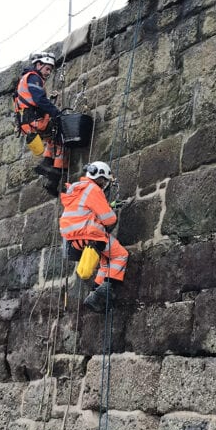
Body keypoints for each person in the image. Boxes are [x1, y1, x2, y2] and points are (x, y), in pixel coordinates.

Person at [59, 161, 128, 312]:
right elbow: (109, 219)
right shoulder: (94, 190)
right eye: (104, 181)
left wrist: (109, 205)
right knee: (120, 255)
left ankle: (94, 296)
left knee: (105, 262)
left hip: (73, 239)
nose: (105, 184)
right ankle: (105, 291)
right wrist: (111, 211)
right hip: (92, 236)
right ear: (100, 178)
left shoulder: (77, 189)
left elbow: (85, 211)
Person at [14, 51, 64, 195]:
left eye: (50, 70)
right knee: (61, 135)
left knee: (52, 138)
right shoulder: (34, 78)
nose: (49, 73)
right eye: (47, 69)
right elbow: (39, 100)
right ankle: (53, 173)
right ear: (39, 65)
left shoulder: (27, 78)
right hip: (34, 120)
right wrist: (56, 112)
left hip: (27, 122)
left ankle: (48, 168)